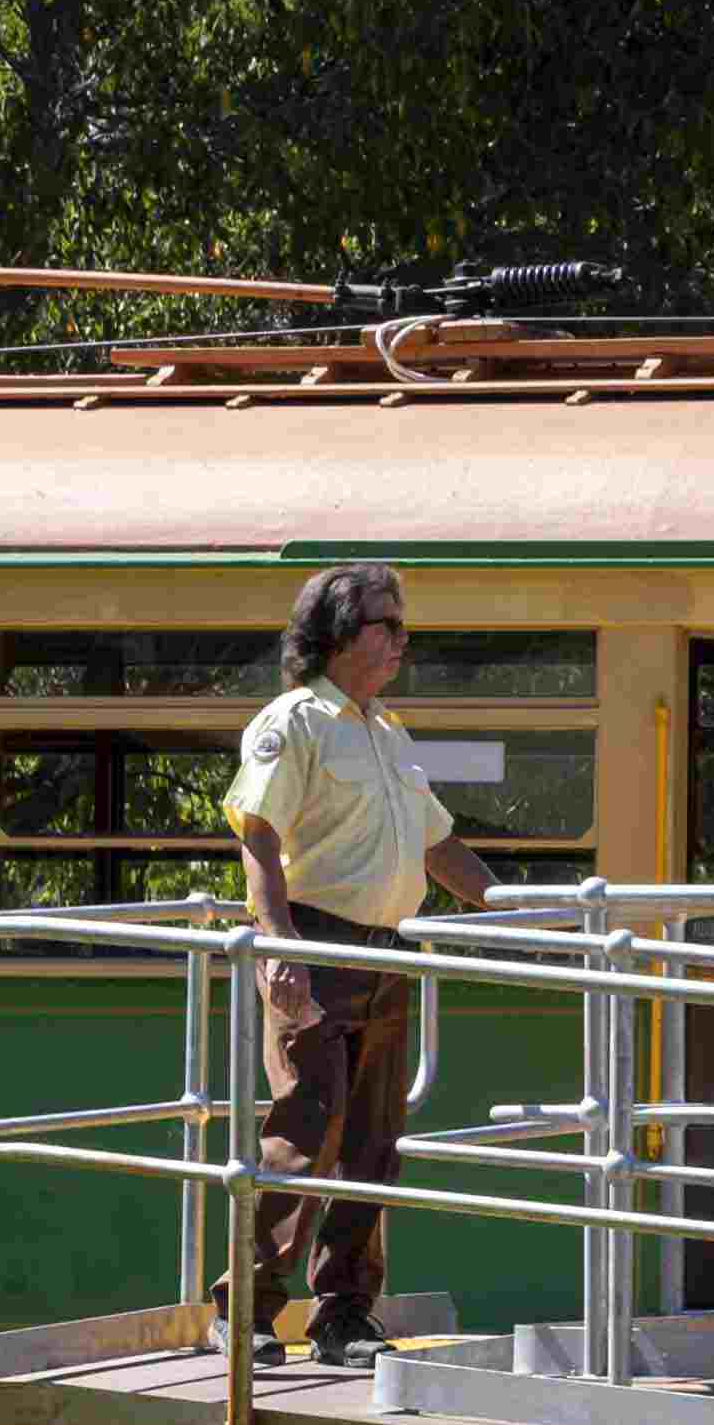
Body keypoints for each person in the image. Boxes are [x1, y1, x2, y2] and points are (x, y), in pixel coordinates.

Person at [225, 561, 493, 1366]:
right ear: (339, 635)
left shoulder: (386, 733)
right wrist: (279, 947)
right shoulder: (295, 722)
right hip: (314, 945)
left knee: (375, 1141)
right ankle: (246, 1310)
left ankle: (344, 1315)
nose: (401, 640)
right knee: (308, 1127)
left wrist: (513, 906)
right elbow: (258, 833)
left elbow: (438, 843)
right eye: (387, 624)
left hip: (388, 954)